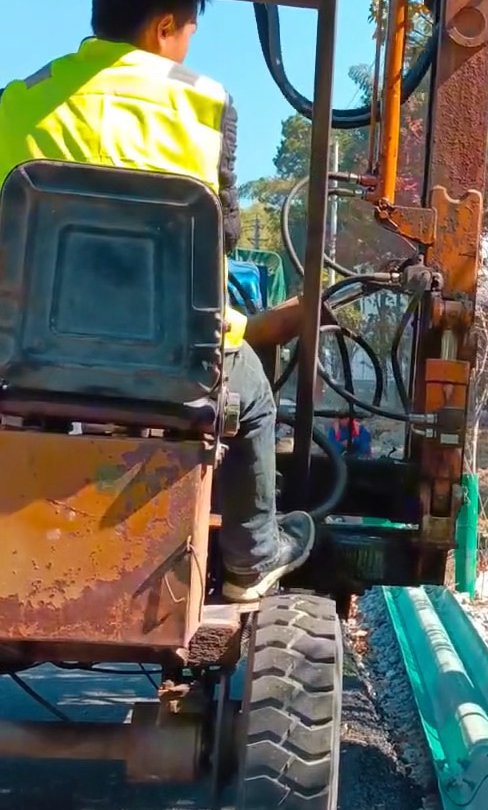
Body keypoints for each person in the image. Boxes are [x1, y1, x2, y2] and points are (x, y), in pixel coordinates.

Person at [0, 0, 318, 603]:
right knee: (251, 392)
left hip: (25, 360)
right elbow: (219, 238)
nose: (191, 43)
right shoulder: (204, 103)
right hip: (170, 369)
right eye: (191, 29)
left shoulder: (17, 98)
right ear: (164, 25)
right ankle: (252, 557)